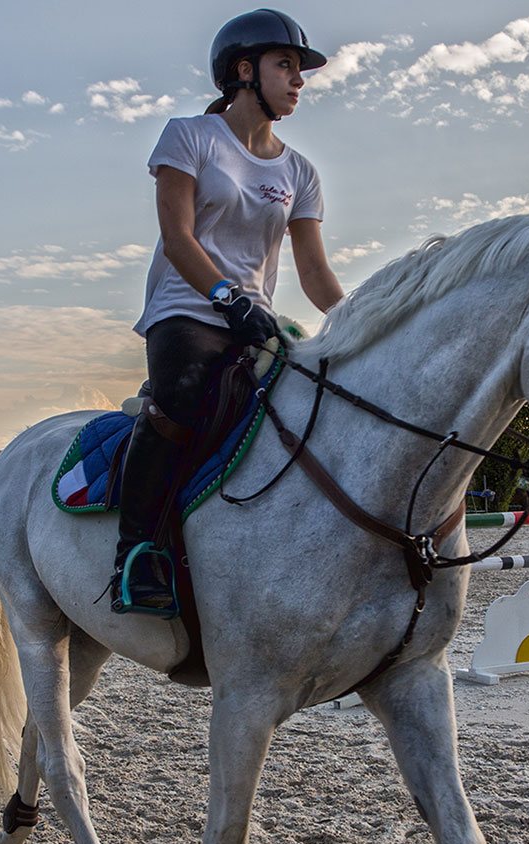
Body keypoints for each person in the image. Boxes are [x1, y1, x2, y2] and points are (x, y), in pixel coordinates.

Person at [114, 8, 346, 613]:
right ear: (244, 70)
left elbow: (315, 273)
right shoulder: (188, 136)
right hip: (186, 310)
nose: (298, 81)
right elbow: (178, 239)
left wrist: (358, 320)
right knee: (183, 399)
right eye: (286, 66)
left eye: (301, 71)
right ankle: (135, 551)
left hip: (257, 321)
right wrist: (227, 297)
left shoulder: (300, 171)